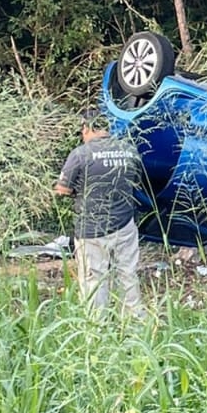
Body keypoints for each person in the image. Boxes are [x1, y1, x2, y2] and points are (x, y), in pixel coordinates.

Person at [53, 110, 145, 318]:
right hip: (125, 224)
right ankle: (136, 325)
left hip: (91, 229)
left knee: (93, 278)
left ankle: (97, 327)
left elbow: (62, 190)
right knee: (128, 274)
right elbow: (136, 182)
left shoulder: (80, 154)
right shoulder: (129, 150)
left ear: (86, 128)